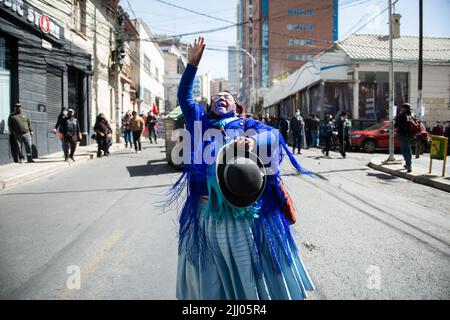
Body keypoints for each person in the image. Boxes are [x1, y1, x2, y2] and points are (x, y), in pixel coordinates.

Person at [173, 36, 314, 300]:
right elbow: (184, 96)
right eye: (216, 97)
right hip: (209, 212)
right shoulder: (199, 121)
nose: (221, 99)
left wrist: (253, 141)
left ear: (237, 106)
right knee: (212, 276)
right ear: (208, 105)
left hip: (246, 213)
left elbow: (274, 136)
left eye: (226, 96)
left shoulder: (249, 125)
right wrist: (192, 65)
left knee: (249, 272)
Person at [395, 103, 414, 173]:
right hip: (410, 135)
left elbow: (395, 125)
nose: (401, 109)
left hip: (402, 135)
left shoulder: (402, 115)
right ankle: (408, 164)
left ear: (404, 108)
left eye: (402, 108)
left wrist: (397, 117)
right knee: (408, 150)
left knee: (404, 150)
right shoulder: (412, 115)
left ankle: (409, 165)